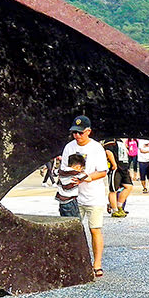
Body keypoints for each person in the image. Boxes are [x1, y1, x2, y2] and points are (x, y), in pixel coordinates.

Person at [62, 115, 110, 277]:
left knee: (94, 229)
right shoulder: (69, 147)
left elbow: (103, 171)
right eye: (74, 133)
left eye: (80, 133)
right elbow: (64, 169)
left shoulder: (96, 148)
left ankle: (97, 264)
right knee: (72, 230)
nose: (77, 136)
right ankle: (75, 262)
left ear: (88, 132)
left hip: (93, 196)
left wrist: (88, 177)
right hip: (73, 196)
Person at [103, 139, 133, 218]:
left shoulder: (120, 141)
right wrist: (114, 164)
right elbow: (108, 151)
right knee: (113, 190)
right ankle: (114, 210)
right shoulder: (110, 140)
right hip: (116, 169)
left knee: (128, 186)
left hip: (124, 168)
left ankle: (119, 206)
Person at [55, 152, 86, 218]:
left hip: (62, 202)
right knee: (76, 221)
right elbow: (87, 177)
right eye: (81, 168)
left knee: (65, 220)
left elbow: (54, 172)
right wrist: (81, 179)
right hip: (71, 201)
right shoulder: (75, 173)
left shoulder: (61, 170)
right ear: (78, 167)